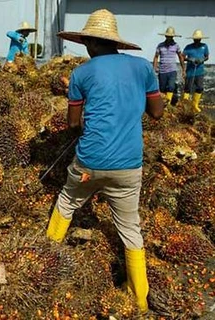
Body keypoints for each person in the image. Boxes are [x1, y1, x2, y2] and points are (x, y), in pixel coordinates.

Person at [45, 9, 164, 314]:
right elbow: (157, 113)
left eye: (86, 41)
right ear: (115, 43)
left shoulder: (82, 73)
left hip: (89, 163)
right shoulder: (142, 68)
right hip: (128, 165)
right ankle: (139, 299)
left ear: (91, 43)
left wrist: (92, 124)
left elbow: (73, 125)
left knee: (67, 201)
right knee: (130, 228)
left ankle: (42, 264)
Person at [152, 27, 185, 105]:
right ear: (165, 36)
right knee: (162, 89)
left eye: (171, 36)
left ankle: (168, 105)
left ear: (173, 37)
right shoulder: (160, 46)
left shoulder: (176, 46)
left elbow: (180, 56)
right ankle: (163, 104)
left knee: (171, 87)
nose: (169, 38)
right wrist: (154, 68)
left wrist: (183, 69)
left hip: (172, 70)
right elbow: (156, 57)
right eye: (168, 36)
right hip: (162, 71)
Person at [182, 29, 210, 113]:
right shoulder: (188, 47)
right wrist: (189, 59)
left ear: (201, 39)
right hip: (190, 71)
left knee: (200, 87)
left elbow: (207, 56)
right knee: (187, 88)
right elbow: (182, 57)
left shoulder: (204, 46)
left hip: (200, 71)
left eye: (198, 39)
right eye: (195, 39)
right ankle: (184, 105)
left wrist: (202, 60)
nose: (197, 40)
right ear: (193, 39)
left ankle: (195, 105)